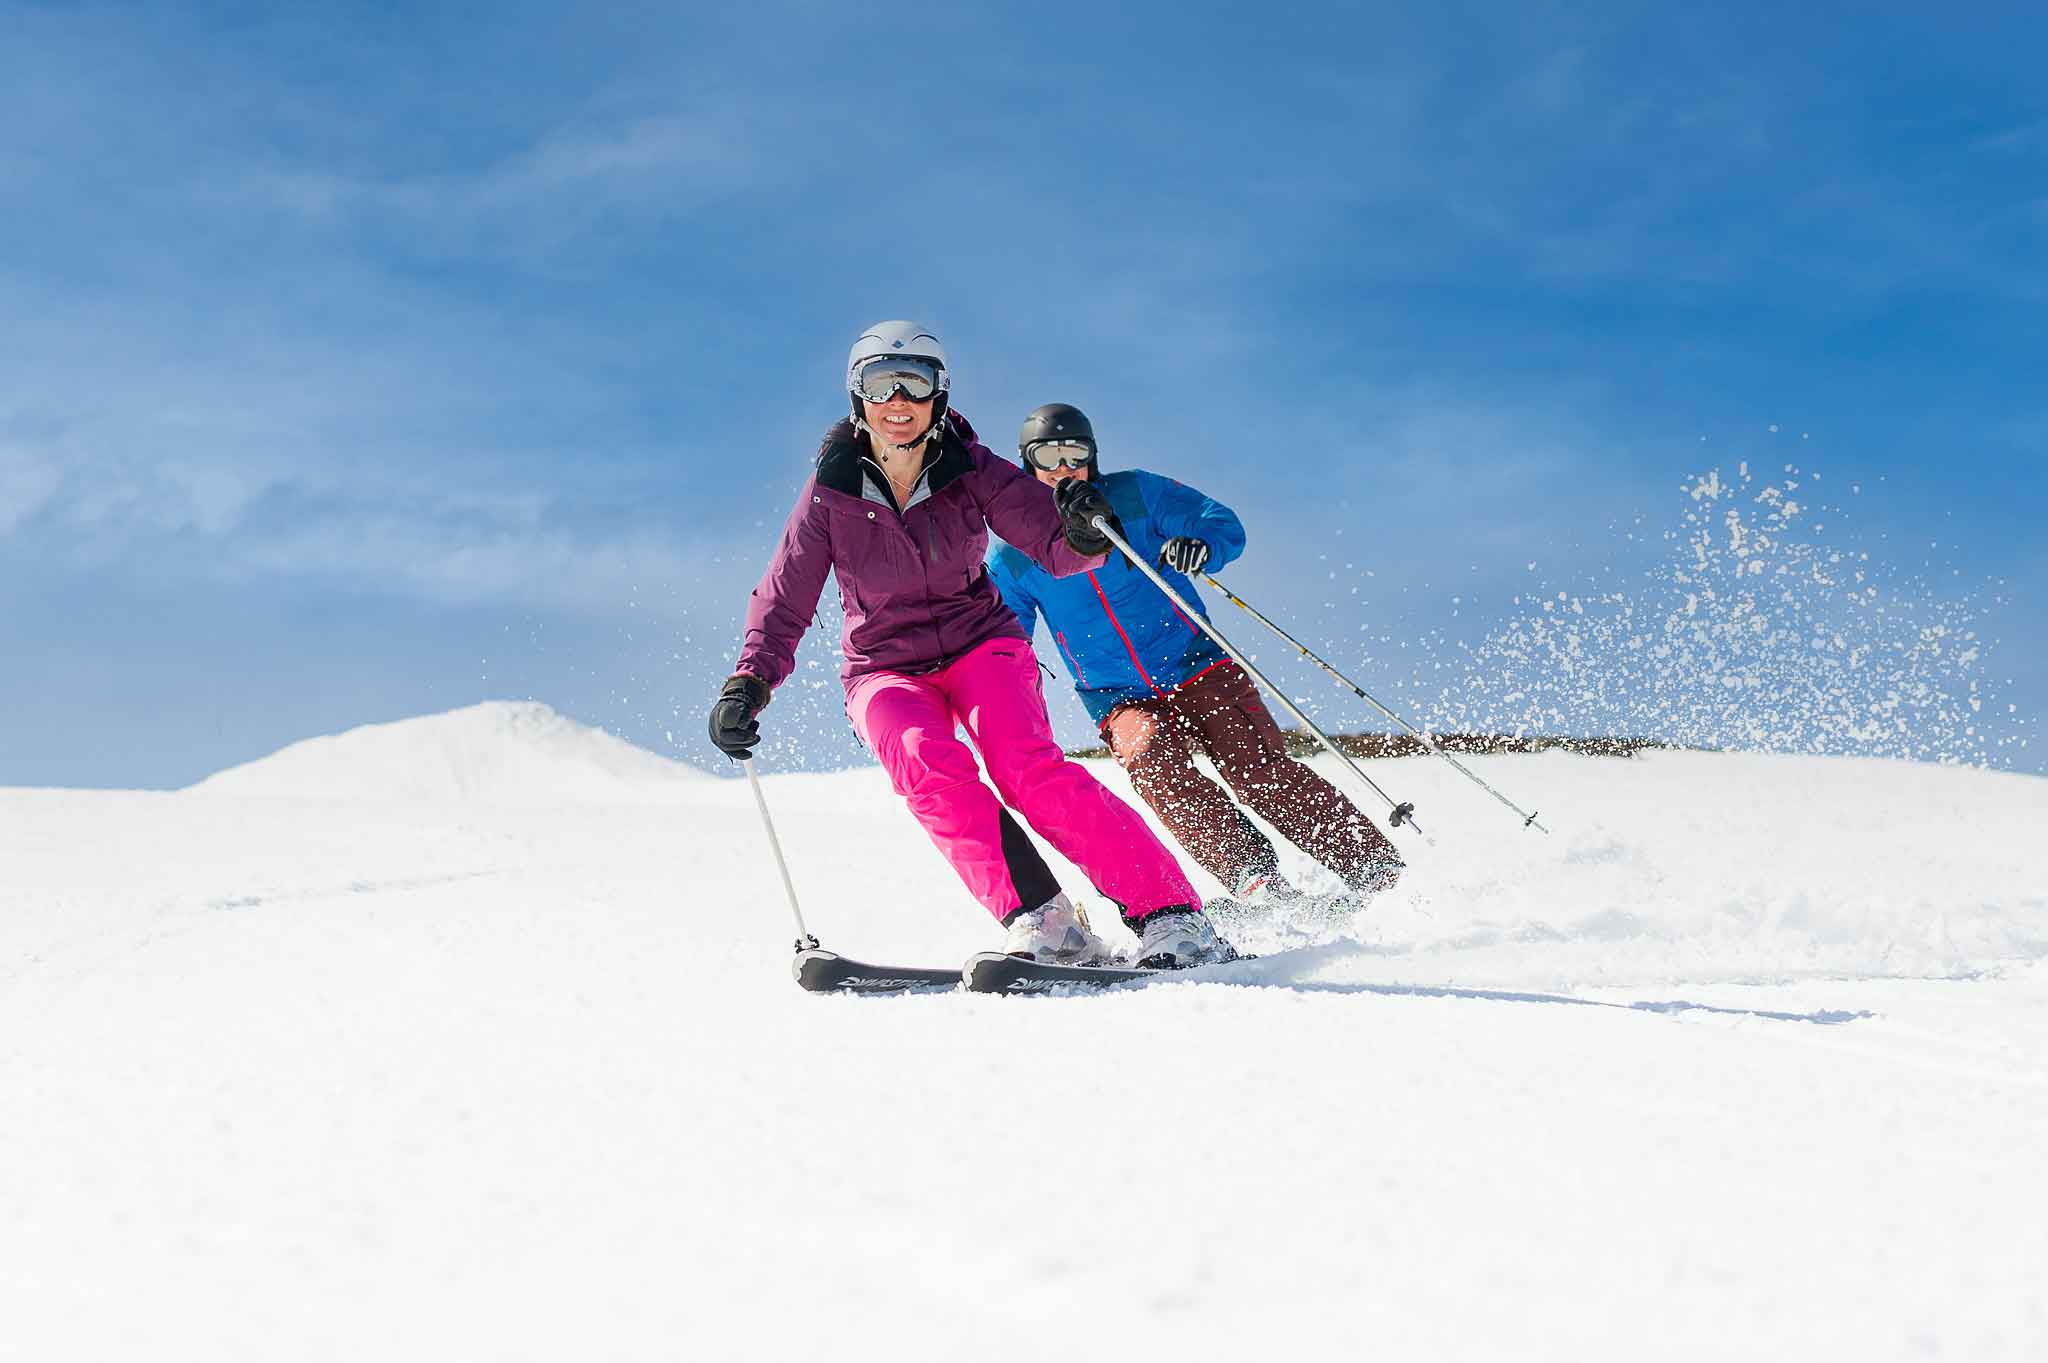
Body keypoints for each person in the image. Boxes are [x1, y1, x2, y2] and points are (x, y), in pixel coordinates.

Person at [708, 325, 1233, 969]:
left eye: (916, 383)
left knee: (1027, 769)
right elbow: (785, 596)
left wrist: (1085, 529)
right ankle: (1046, 923)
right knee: (923, 762)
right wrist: (749, 682)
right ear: (856, 396)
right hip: (884, 667)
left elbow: (1052, 542)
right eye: (880, 384)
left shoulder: (970, 467)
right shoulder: (830, 493)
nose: (898, 401)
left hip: (981, 643)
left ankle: (1171, 916)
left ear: (939, 394)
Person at [986, 402, 1404, 906]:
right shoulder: (1014, 550)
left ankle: (1371, 866)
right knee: (1154, 764)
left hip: (1194, 659)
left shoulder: (1134, 494)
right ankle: (1257, 882)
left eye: (1074, 453)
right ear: (1026, 462)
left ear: (1092, 455)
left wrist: (1200, 545)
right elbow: (1002, 630)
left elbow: (1218, 521)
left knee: (1257, 766)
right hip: (1116, 693)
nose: (1063, 468)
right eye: (1047, 456)